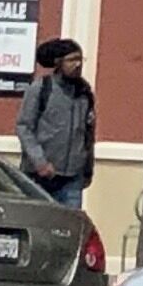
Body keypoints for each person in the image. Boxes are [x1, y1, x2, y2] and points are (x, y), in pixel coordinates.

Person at [14, 36, 95, 207]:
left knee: (69, 225)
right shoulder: (41, 88)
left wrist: (87, 169)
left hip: (72, 178)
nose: (78, 65)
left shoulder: (84, 93)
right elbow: (24, 127)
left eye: (80, 59)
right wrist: (40, 162)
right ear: (59, 63)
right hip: (39, 176)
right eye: (72, 60)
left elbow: (88, 133)